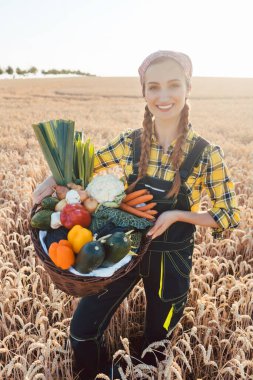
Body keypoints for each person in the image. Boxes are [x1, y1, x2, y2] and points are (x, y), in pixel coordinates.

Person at [32, 50, 240, 379]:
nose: (163, 96)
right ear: (143, 92)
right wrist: (51, 178)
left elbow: (228, 216)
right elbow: (83, 169)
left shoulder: (205, 154)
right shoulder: (131, 142)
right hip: (122, 249)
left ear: (188, 87)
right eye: (153, 87)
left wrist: (176, 217)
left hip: (171, 262)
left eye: (173, 85)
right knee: (81, 332)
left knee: (154, 348)